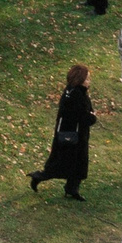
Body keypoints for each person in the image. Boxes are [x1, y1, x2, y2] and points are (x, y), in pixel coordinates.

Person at [28, 64, 96, 200]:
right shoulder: (77, 95)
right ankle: (40, 177)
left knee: (75, 164)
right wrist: (93, 117)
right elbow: (82, 117)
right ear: (80, 79)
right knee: (66, 163)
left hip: (70, 133)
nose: (89, 81)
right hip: (73, 136)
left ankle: (72, 189)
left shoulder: (72, 91)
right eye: (87, 79)